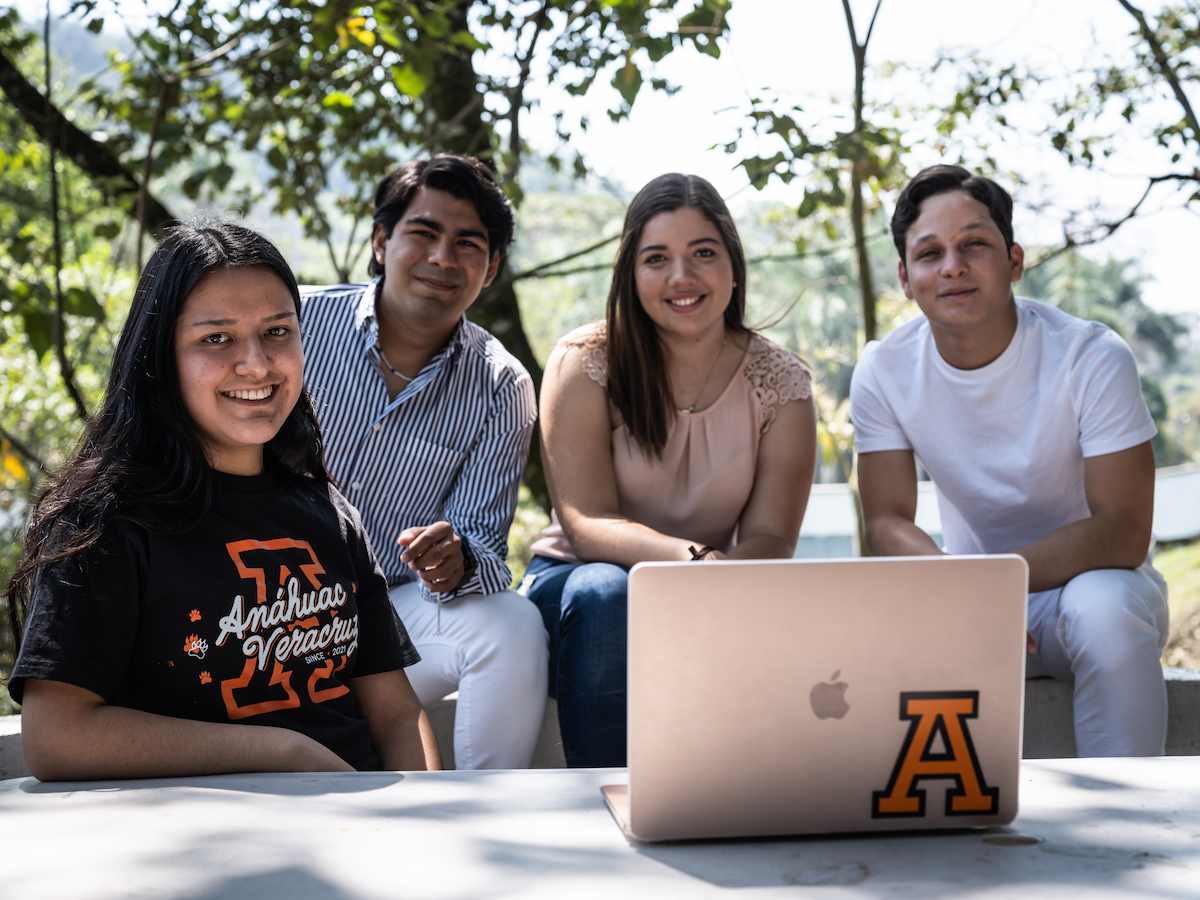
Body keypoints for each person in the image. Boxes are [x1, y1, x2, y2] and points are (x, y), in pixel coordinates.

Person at [6, 223, 438, 780]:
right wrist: (285, 753)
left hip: (357, 833)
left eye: (278, 332)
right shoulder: (103, 525)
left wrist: (426, 813)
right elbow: (56, 736)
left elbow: (398, 715)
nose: (257, 364)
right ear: (160, 357)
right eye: (216, 338)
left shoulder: (328, 513)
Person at [851, 164, 1170, 757]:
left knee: (1103, 607)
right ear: (905, 277)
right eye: (930, 253)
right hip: (970, 601)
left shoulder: (1090, 356)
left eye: (975, 244)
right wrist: (965, 590)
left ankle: (1131, 826)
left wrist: (992, 585)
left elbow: (1124, 533)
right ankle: (941, 838)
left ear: (1015, 260)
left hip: (1096, 591)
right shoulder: (884, 368)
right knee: (867, 631)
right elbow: (887, 521)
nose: (953, 266)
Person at [527, 173, 817, 767]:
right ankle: (604, 796)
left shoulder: (782, 384)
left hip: (708, 588)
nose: (681, 278)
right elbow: (586, 524)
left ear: (733, 267)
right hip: (575, 590)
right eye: (657, 259)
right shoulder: (585, 363)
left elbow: (770, 539)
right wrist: (697, 560)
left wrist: (710, 578)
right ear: (632, 275)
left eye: (703, 254)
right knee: (605, 589)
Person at [300, 155, 546, 770]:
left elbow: (487, 555)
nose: (443, 258)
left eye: (468, 244)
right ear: (381, 241)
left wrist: (453, 560)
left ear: (490, 270)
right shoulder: (296, 325)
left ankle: (486, 824)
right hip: (252, 604)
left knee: (510, 627)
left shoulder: (501, 385)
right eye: (424, 234)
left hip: (383, 623)